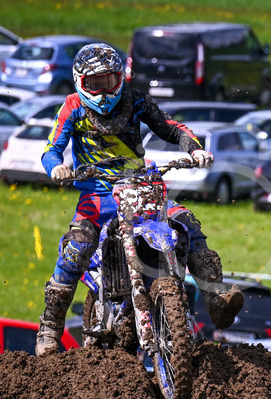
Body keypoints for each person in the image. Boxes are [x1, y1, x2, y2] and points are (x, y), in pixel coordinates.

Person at [35, 43, 243, 356]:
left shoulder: (135, 99)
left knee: (186, 223)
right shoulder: (73, 107)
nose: (104, 91)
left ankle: (215, 296)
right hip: (98, 193)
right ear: (80, 81)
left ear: (120, 78)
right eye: (96, 83)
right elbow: (51, 149)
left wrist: (194, 148)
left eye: (109, 81)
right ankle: (50, 328)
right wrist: (58, 168)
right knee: (76, 246)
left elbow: (170, 127)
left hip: (141, 187)